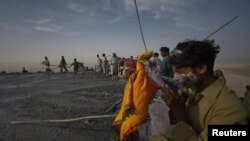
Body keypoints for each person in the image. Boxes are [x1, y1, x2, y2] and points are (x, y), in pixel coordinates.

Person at [150, 40, 248, 141]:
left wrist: (180, 113)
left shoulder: (231, 111)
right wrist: (176, 107)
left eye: (180, 71)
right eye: (174, 71)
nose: (176, 77)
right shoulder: (193, 90)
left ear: (201, 68)